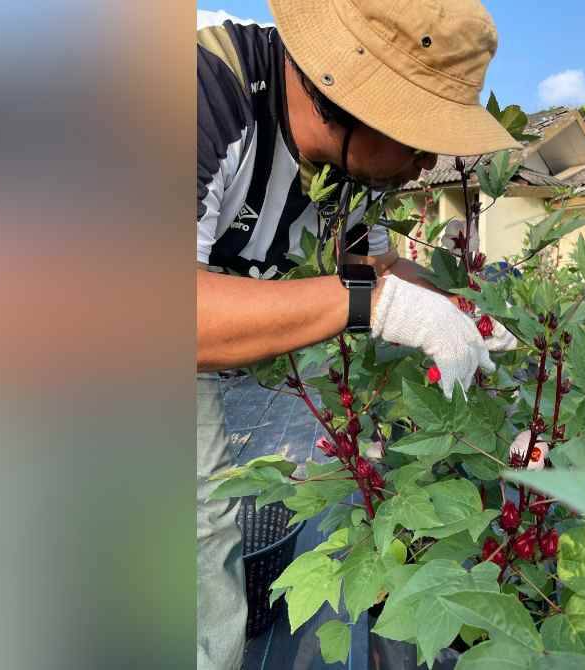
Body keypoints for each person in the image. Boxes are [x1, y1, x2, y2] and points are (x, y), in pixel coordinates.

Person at [196, 1, 519, 667]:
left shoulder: (347, 173)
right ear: (354, 99)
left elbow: (377, 264)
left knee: (207, 526)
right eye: (418, 136)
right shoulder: (202, 90)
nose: (426, 162)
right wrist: (373, 304)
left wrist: (463, 313)